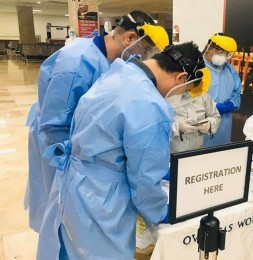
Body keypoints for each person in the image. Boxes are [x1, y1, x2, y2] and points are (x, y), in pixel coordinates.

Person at [36, 42, 206, 259]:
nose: (179, 95)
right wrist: (160, 210)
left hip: (75, 182)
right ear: (181, 78)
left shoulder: (119, 71)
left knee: (69, 249)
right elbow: (144, 179)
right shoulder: (150, 104)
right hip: (101, 198)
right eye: (184, 91)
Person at [24, 11, 169, 233]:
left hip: (80, 147)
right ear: (130, 38)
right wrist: (78, 166)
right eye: (146, 51)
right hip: (58, 145)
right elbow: (55, 124)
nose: (144, 59)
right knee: (61, 210)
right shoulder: (77, 60)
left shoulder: (113, 62)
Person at [202, 33, 241, 147]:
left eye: (226, 53)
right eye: (219, 51)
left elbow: (236, 92)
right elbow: (189, 95)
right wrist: (212, 106)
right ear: (209, 47)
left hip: (224, 124)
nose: (222, 56)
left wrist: (232, 103)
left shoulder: (230, 70)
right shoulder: (197, 67)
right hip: (202, 122)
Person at [168, 70, 221, 153]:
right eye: (187, 87)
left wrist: (209, 124)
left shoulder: (203, 97)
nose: (188, 90)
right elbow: (158, 129)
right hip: (172, 153)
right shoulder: (168, 98)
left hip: (197, 151)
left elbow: (215, 116)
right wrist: (177, 127)